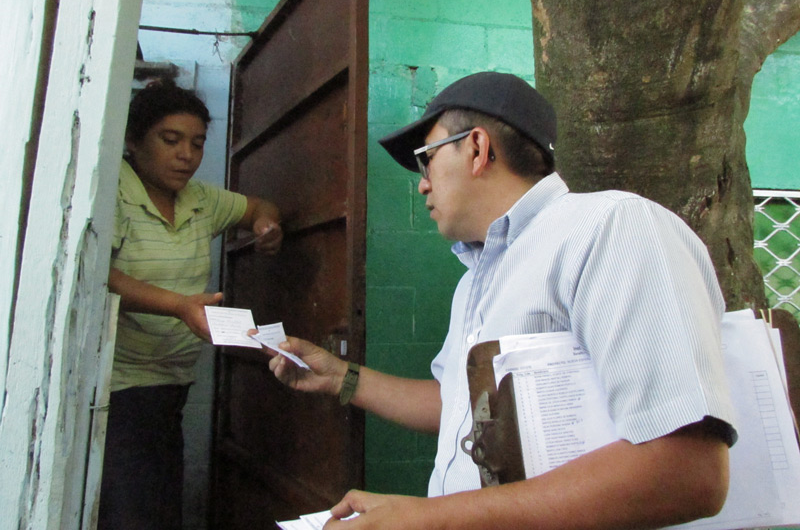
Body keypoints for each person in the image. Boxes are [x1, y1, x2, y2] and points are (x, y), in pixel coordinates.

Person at [266, 71, 736, 529]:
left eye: (425, 161)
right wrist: (341, 378)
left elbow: (687, 471)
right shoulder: (476, 278)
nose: (422, 184)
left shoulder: (609, 229)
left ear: (476, 148)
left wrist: (429, 519)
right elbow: (463, 405)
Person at [99, 80, 283, 530]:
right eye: (170, 140)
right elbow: (97, 273)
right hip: (115, 388)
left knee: (160, 509)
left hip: (170, 385)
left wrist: (265, 225)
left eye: (197, 144)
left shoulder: (200, 199)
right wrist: (179, 306)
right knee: (129, 513)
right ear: (133, 139)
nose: (187, 155)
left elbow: (263, 205)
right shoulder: (110, 193)